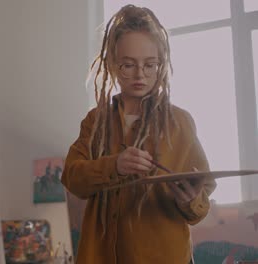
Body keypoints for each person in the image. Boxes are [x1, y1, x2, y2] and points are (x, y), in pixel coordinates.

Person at [61, 4, 216, 264]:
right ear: (111, 64)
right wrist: (115, 165)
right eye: (128, 65)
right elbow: (72, 177)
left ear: (161, 64)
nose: (140, 75)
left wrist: (190, 201)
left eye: (150, 65)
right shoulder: (95, 121)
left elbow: (199, 205)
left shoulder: (180, 122)